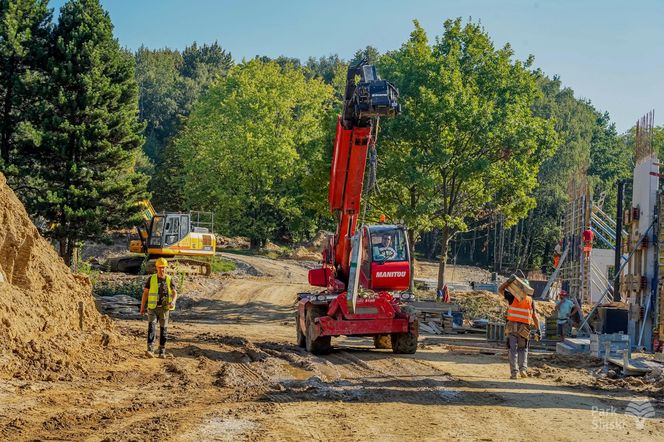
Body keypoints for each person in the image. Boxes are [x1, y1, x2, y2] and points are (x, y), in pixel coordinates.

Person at [499, 279, 541, 379]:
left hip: (512, 327)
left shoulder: (512, 296)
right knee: (523, 349)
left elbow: (500, 289)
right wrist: (538, 329)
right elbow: (535, 316)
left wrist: (508, 282)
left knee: (512, 350)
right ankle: (523, 370)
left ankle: (514, 373)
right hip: (524, 328)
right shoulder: (530, 300)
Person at [140, 258, 177, 358]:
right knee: (151, 328)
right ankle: (150, 350)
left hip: (164, 309)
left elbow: (174, 293)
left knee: (163, 330)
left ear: (166, 268)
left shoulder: (169, 279)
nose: (162, 269)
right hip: (152, 308)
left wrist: (173, 302)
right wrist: (142, 307)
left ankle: (162, 351)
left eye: (163, 268)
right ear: (156, 268)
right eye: (160, 268)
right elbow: (145, 293)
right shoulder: (151, 279)